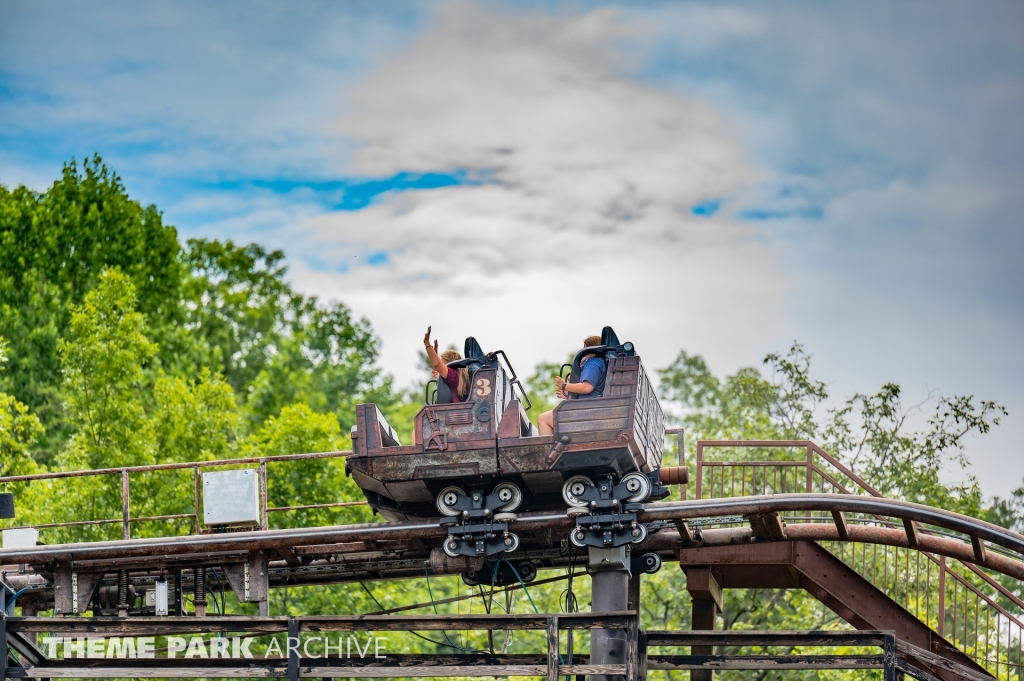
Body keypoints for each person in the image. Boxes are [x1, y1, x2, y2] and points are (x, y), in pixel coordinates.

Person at [537, 335, 606, 435]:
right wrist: (568, 395)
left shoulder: (593, 363)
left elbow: (586, 388)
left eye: (584, 348)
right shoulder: (601, 363)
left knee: (543, 419)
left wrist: (564, 385)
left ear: (588, 348)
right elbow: (592, 392)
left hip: (584, 413)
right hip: (589, 409)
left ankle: (551, 450)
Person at [423, 326, 470, 402]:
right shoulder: (458, 377)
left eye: (443, 363)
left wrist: (427, 344)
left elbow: (437, 365)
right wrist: (434, 352)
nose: (441, 365)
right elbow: (438, 366)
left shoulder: (453, 376)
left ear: (450, 362)